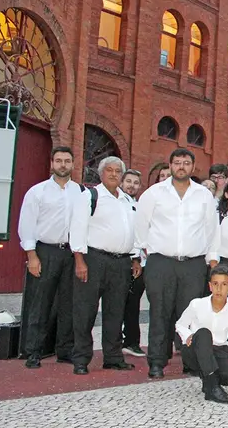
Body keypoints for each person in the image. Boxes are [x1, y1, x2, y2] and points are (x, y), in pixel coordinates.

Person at [135, 148, 220, 379]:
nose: (181, 167)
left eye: (186, 163)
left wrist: (212, 260)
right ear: (170, 166)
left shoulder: (203, 195)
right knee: (160, 312)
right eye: (177, 163)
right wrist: (147, 251)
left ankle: (190, 361)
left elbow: (212, 230)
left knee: (190, 314)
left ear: (193, 167)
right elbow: (141, 225)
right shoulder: (154, 194)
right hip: (161, 262)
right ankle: (156, 361)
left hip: (193, 264)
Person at [68, 156, 139, 375]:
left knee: (115, 311)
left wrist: (135, 258)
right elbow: (78, 227)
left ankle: (113, 357)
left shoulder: (127, 200)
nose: (114, 174)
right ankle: (81, 359)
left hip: (121, 262)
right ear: (101, 173)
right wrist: (79, 260)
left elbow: (133, 230)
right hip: (94, 260)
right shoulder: (90, 196)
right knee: (85, 311)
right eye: (109, 170)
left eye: (118, 171)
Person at [18, 146, 81, 368]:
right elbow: (26, 225)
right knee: (40, 302)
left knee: (68, 304)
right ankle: (33, 351)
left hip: (71, 253)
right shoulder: (37, 192)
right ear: (52, 163)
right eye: (59, 161)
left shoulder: (79, 192)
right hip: (45, 251)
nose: (63, 165)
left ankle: (65, 350)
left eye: (67, 161)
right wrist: (32, 256)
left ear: (73, 164)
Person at [175, 264, 228, 403]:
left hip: (218, 351)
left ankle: (208, 381)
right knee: (204, 334)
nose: (219, 289)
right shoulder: (196, 304)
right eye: (215, 284)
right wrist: (188, 335)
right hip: (195, 350)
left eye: (224, 284)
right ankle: (212, 388)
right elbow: (180, 324)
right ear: (210, 286)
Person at [120, 169, 147, 357]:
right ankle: (115, 341)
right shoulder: (117, 204)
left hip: (141, 262)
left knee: (133, 303)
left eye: (136, 182)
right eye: (128, 181)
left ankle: (131, 341)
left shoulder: (140, 206)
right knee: (117, 303)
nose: (132, 185)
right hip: (122, 260)